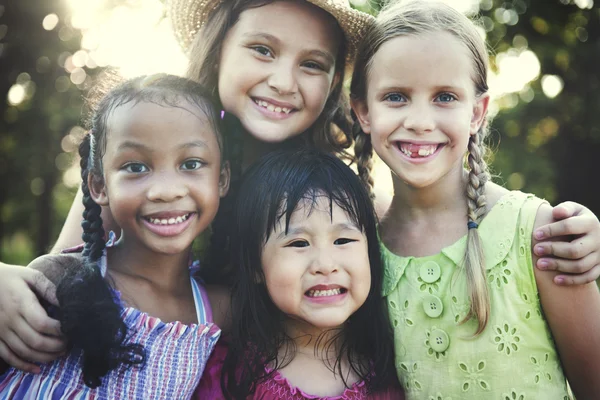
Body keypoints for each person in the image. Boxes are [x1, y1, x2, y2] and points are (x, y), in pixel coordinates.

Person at [0, 0, 599, 374]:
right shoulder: (146, 159)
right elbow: (57, 275)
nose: (283, 81)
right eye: (262, 49)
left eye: (312, 64)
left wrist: (573, 230)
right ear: (218, 49)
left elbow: (412, 235)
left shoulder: (331, 185)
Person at [349, 2, 600, 399]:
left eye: (445, 97)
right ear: (363, 111)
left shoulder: (538, 233)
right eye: (396, 96)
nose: (419, 121)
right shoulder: (357, 250)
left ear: (477, 112)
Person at [0, 74, 229, 398]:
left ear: (221, 179)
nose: (165, 191)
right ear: (98, 187)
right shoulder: (59, 280)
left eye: (191, 163)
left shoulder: (218, 310)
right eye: (136, 167)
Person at [197, 149, 403, 399]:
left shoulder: (395, 370)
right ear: (254, 266)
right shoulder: (225, 374)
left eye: (343, 240)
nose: (325, 265)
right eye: (299, 243)